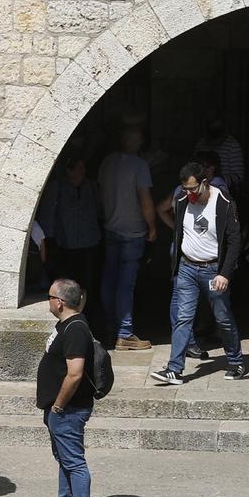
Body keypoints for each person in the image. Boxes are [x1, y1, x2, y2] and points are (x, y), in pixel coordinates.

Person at [153, 163, 245, 385]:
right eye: (185, 189)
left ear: (205, 183)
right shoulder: (183, 201)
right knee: (183, 317)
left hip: (214, 271)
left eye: (193, 189)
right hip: (187, 268)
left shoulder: (223, 203)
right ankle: (175, 368)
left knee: (222, 317)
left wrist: (225, 273)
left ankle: (236, 361)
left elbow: (234, 242)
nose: (189, 194)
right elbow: (179, 230)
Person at [34, 279, 96, 497]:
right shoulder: (66, 326)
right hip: (58, 409)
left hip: (68, 410)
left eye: (49, 297)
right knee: (65, 461)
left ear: (59, 302)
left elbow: (75, 374)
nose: (48, 301)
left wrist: (59, 405)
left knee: (75, 463)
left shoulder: (76, 330)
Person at [97, 126, 156, 349]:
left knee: (109, 278)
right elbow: (146, 200)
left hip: (111, 227)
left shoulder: (107, 162)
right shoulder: (139, 165)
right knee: (125, 284)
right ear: (136, 142)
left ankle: (111, 325)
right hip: (133, 231)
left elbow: (101, 194)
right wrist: (152, 227)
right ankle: (125, 333)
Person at [36, 153, 101, 294]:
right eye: (79, 167)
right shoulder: (57, 187)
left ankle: (86, 311)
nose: (83, 171)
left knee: (87, 282)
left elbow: (98, 210)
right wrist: (50, 241)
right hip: (65, 244)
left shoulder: (90, 186)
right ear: (69, 170)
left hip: (89, 243)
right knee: (67, 283)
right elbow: (48, 215)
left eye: (83, 167)